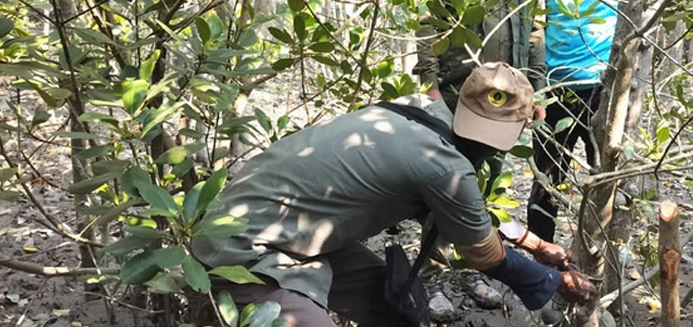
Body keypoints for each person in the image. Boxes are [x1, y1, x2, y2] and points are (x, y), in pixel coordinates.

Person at [192, 62, 596, 327]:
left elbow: (467, 214)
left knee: (394, 303)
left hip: (284, 227)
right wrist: (553, 280)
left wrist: (535, 243)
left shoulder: (416, 111)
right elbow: (482, 252)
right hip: (242, 250)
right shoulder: (444, 165)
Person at [412, 0, 547, 319]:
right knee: (443, 186)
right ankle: (428, 274)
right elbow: (431, 21)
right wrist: (430, 83)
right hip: (458, 98)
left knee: (484, 186)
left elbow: (535, 33)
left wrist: (538, 90)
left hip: (507, 103)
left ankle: (476, 268)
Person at [529, 0, 632, 242]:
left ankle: (595, 255)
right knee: (546, 179)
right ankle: (542, 260)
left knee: (604, 179)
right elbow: (534, 26)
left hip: (604, 89)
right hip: (555, 88)